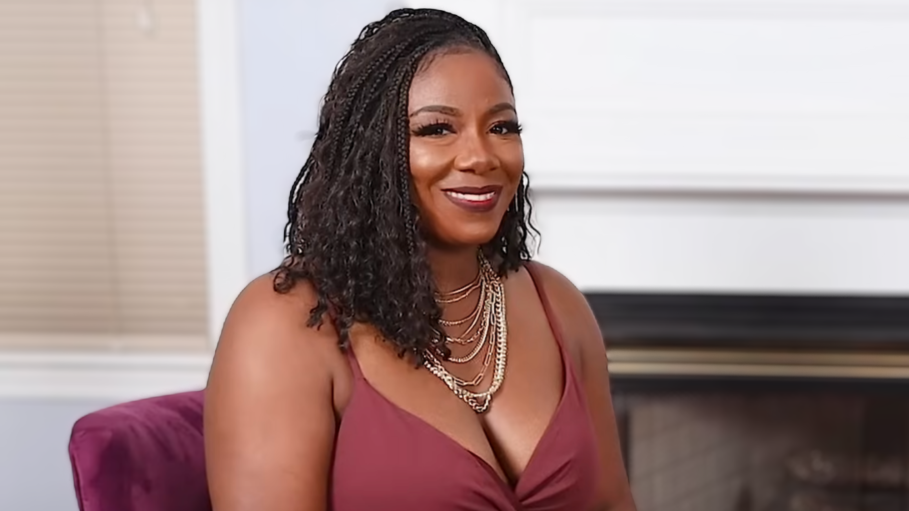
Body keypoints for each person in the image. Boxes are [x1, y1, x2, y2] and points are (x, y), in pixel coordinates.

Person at [204, 8, 636, 511]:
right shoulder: (283, 324)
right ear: (370, 150)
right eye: (436, 129)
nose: (481, 156)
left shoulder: (557, 303)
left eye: (501, 126)